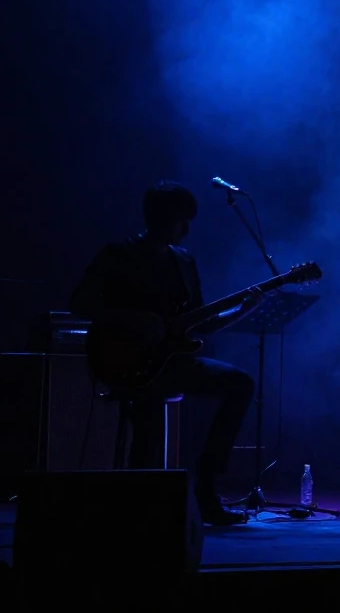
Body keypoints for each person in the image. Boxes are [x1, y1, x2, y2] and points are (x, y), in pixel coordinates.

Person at [70, 181, 259, 526]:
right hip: (124, 361)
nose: (186, 228)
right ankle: (141, 507)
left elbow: (202, 323)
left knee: (240, 383)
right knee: (149, 406)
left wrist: (243, 309)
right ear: (160, 218)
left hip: (172, 361)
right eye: (181, 220)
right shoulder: (118, 255)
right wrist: (132, 318)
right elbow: (79, 302)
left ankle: (205, 489)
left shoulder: (183, 260)